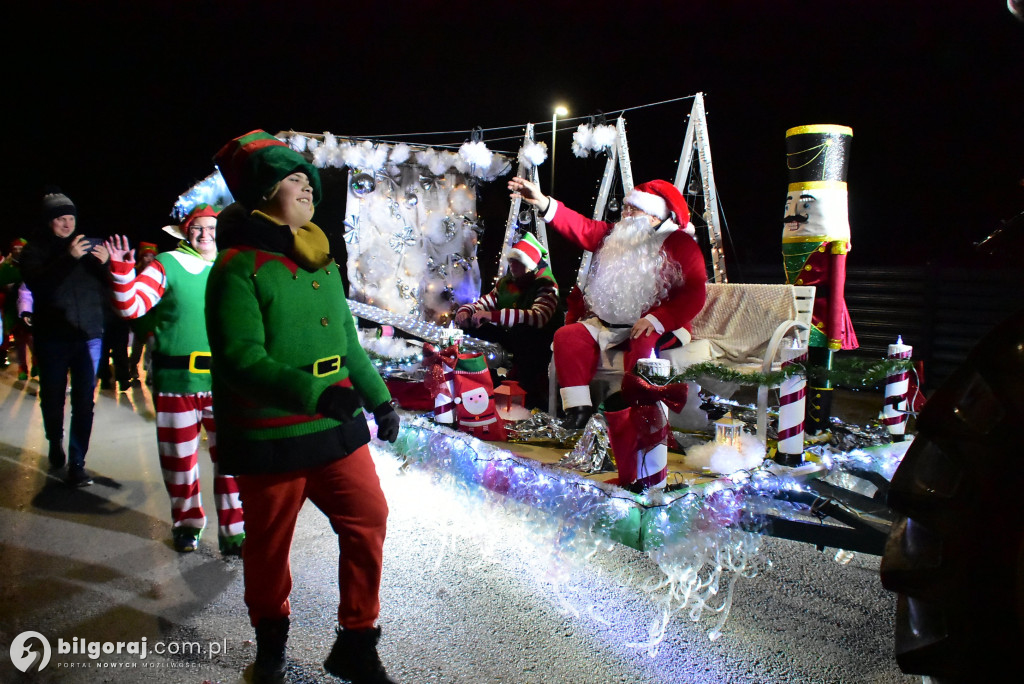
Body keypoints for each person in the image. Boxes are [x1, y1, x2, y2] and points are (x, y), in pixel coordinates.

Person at [206, 130, 400, 684]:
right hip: (270, 432)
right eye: (294, 179)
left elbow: (348, 347)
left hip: (334, 425)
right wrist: (314, 394)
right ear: (265, 191)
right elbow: (242, 359)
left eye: (308, 180)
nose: (307, 188)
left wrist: (380, 400)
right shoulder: (237, 268)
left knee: (368, 517)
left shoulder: (322, 262)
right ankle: (271, 649)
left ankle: (356, 642)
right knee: (269, 547)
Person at [508, 176, 708, 429]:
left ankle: (637, 413)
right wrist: (542, 201)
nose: (624, 214)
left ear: (655, 215)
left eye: (632, 209)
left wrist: (658, 319)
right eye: (625, 207)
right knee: (568, 336)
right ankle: (578, 411)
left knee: (643, 340)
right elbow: (581, 227)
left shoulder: (679, 243)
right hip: (612, 324)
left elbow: (694, 294)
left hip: (658, 324)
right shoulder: (617, 236)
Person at [105, 207, 245, 555]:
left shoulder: (232, 266)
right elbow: (130, 307)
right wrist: (122, 271)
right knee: (180, 461)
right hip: (176, 381)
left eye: (211, 227)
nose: (205, 234)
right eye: (197, 228)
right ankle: (187, 525)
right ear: (185, 232)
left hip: (225, 382)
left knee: (232, 461)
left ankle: (235, 532)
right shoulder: (167, 264)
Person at [20, 188, 110, 486]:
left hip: (89, 335)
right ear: (48, 222)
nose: (67, 223)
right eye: (59, 218)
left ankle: (78, 461)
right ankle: (54, 440)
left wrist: (109, 263)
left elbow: (108, 289)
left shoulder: (87, 247)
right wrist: (68, 259)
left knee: (85, 401)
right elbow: (39, 285)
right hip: (53, 337)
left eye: (70, 217)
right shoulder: (35, 250)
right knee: (53, 396)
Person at [453, 232, 559, 408]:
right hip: (515, 337)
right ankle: (481, 384)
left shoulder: (545, 284)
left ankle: (528, 398)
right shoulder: (507, 282)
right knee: (475, 329)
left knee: (523, 332)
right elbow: (485, 303)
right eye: (511, 261)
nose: (512, 266)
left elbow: (539, 317)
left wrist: (494, 316)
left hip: (541, 342)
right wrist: (466, 312)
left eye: (517, 262)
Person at [126, 241, 158, 387]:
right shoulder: (135, 273)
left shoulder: (158, 273)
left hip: (153, 315)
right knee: (137, 345)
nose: (149, 259)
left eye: (152, 256)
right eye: (146, 256)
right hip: (139, 315)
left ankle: (150, 372)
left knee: (152, 345)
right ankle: (132, 367)